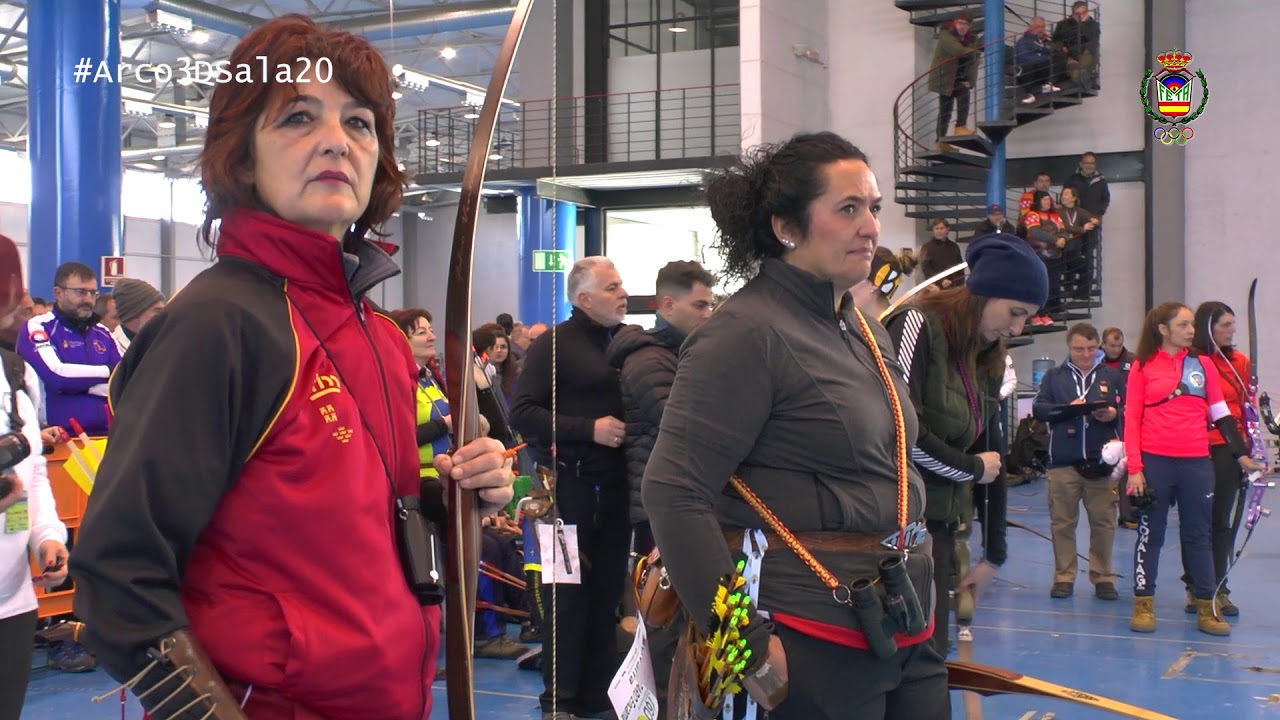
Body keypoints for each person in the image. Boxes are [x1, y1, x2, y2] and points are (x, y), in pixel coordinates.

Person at [67, 15, 515, 720]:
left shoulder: (383, 337)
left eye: (360, 123)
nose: (337, 140)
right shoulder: (218, 325)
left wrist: (466, 497)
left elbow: (361, 528)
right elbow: (118, 575)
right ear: (242, 158)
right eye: (298, 118)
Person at [645, 132, 948, 719]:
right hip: (808, 634)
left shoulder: (864, 328)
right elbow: (673, 491)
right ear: (787, 227)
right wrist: (745, 649)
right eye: (848, 209)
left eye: (874, 208)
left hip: (905, 622)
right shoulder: (744, 333)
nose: (871, 228)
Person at [882, 233, 1049, 655]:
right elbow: (899, 430)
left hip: (939, 529)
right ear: (984, 292)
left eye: (1026, 318)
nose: (1016, 328)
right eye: (1014, 312)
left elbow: (993, 452)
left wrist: (994, 554)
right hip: (894, 532)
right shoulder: (917, 325)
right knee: (912, 658)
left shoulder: (986, 355)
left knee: (933, 658)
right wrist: (970, 469)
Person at [509, 256, 631, 720]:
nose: (623, 293)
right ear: (583, 298)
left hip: (615, 491)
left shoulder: (621, 343)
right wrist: (588, 428)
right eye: (612, 286)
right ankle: (558, 700)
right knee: (567, 596)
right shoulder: (554, 346)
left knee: (605, 594)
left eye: (622, 285)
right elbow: (522, 412)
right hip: (569, 491)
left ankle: (598, 695)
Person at [1123, 302, 1261, 637]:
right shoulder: (1142, 366)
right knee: (1150, 534)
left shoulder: (1202, 365)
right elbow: (1131, 419)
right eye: (1183, 325)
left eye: (1191, 325)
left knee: (1199, 535)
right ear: (1163, 330)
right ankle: (1143, 603)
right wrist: (1135, 468)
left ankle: (1206, 606)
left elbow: (1220, 413)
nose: (1191, 331)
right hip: (1155, 462)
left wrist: (1242, 455)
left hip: (1197, 463)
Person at [0, 238, 71, 719]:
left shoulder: (17, 378)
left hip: (13, 601)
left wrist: (48, 536)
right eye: (12, 288)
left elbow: (36, 474)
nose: (26, 301)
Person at [1032, 323, 1124, 600]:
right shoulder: (1054, 377)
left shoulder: (1113, 376)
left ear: (1099, 347)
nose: (1085, 354)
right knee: (1062, 523)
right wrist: (1065, 411)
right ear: (1069, 348)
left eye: (1091, 348)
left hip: (1101, 464)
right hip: (1062, 464)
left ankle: (1103, 576)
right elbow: (1039, 408)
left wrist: (1113, 414)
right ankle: (1064, 576)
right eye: (1079, 349)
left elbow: (1130, 409)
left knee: (1104, 522)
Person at [1180, 302, 1252, 617]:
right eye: (1225, 324)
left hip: (1227, 448)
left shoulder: (1240, 362)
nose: (1231, 330)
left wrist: (1247, 449)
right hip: (1195, 446)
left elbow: (1244, 406)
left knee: (1221, 521)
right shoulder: (1191, 361)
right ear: (1208, 327)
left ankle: (1219, 587)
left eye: (1233, 324)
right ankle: (1195, 586)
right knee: (1196, 521)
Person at [850, 246, 917, 320]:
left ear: (874, 284)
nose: (843, 285)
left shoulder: (900, 325)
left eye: (851, 276)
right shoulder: (851, 325)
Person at [107, 277, 166, 353]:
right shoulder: (109, 351)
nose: (163, 318)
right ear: (135, 314)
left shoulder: (159, 347)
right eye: (157, 311)